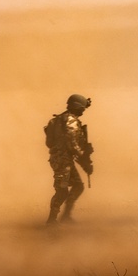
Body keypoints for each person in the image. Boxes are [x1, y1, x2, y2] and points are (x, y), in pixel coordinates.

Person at [44, 94, 93, 226]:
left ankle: (66, 216)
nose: (83, 111)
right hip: (62, 161)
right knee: (62, 190)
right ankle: (51, 221)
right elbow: (73, 145)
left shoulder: (59, 119)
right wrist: (84, 160)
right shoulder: (70, 120)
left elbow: (51, 143)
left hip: (63, 159)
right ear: (77, 107)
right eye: (82, 108)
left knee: (78, 186)